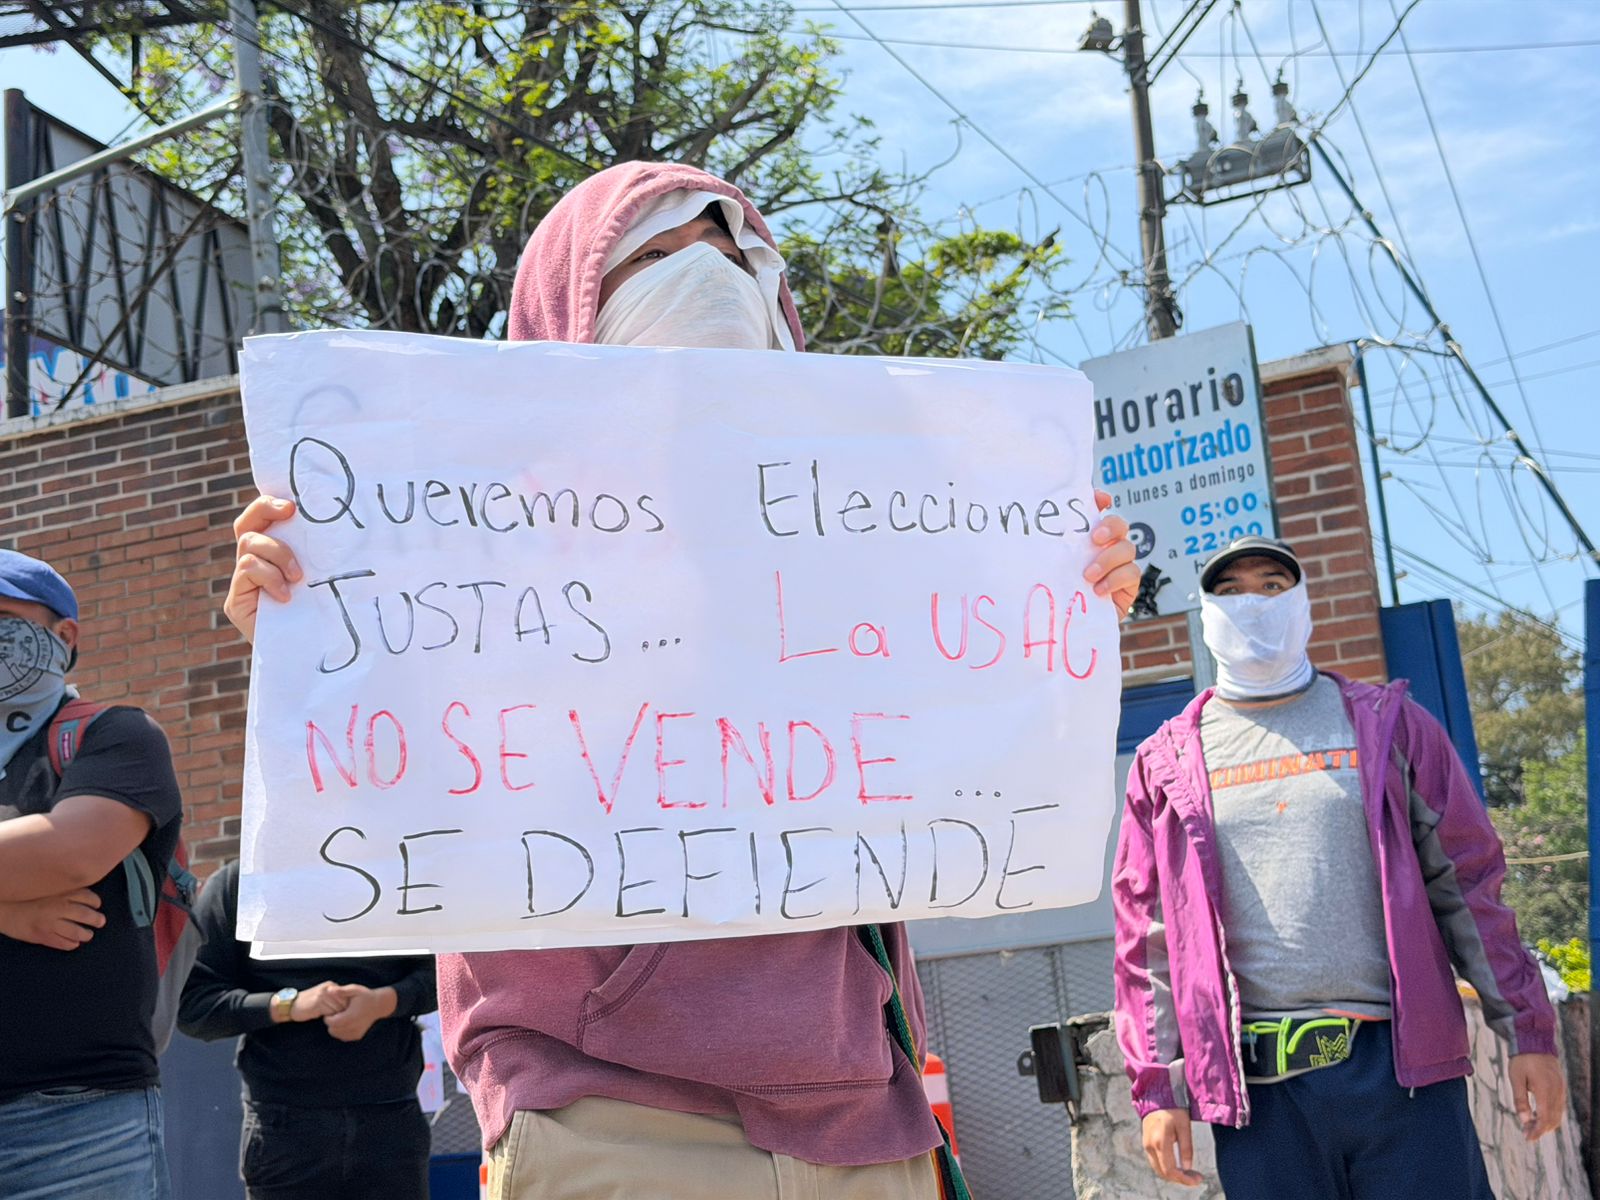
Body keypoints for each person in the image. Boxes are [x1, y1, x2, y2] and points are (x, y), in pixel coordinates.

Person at [224, 160, 1143, 1200]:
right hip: (604, 1106)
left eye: (731, 255)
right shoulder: (449, 538)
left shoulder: (864, 527)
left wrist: (1062, 615)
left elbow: (965, 751)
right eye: (654, 257)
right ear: (565, 304)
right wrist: (310, 639)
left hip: (857, 1105)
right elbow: (386, 797)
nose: (703, 278)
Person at [1112, 534, 1567, 1199]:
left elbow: (1469, 884)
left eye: (1272, 586)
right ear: (1206, 612)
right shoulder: (1164, 762)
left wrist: (1528, 1030)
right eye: (1232, 591)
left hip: (1402, 1079)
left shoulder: (1392, 726)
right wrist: (1158, 1088)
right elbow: (1145, 938)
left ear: (1303, 604)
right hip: (1262, 1101)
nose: (1255, 605)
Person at [0, 549, 183, 1200]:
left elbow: (71, 852)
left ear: (63, 634)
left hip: (79, 1120)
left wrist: (30, 873)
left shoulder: (116, 736)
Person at [178, 858, 438, 1199]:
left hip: (388, 1116)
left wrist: (384, 1002)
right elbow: (194, 1005)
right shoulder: (240, 883)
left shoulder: (398, 870)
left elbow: (449, 973)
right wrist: (288, 1005)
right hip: (285, 1124)